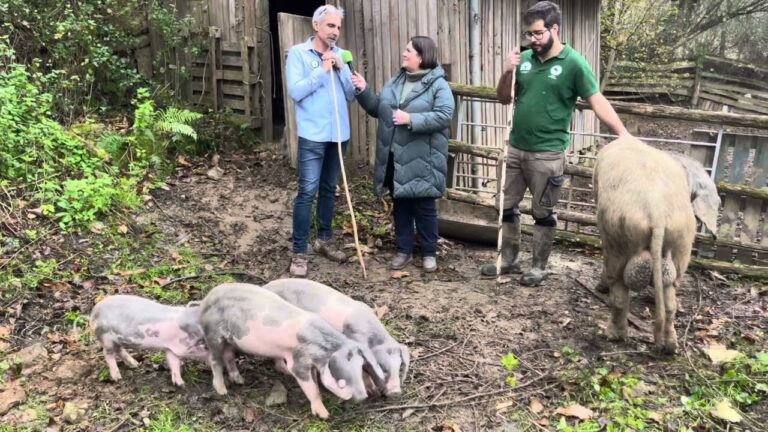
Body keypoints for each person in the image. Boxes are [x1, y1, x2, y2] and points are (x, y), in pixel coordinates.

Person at [479, 1, 630, 286]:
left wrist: (622, 133)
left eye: (537, 33)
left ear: (554, 29)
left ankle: (539, 265)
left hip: (548, 153)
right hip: (516, 148)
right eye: (528, 35)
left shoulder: (574, 63)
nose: (532, 40)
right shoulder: (523, 59)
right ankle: (508, 258)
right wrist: (506, 72)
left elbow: (597, 101)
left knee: (543, 211)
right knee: (507, 205)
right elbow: (503, 97)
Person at [350, 36, 455, 272]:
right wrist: (363, 90)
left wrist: (411, 119)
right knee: (402, 206)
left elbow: (445, 115)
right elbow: (379, 109)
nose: (404, 53)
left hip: (424, 158)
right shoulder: (396, 81)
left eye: (409, 50)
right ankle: (403, 250)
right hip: (396, 157)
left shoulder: (438, 84)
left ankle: (429, 253)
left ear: (421, 56)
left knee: (425, 206)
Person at [284, 5, 356, 278]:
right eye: (330, 26)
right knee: (307, 192)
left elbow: (350, 95)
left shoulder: (341, 56)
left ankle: (324, 240)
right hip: (313, 135)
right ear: (317, 26)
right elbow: (296, 92)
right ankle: (299, 252)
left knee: (329, 189)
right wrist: (322, 70)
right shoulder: (299, 55)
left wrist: (343, 72)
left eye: (338, 27)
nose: (335, 32)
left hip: (338, 136)